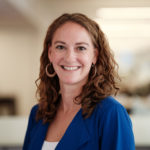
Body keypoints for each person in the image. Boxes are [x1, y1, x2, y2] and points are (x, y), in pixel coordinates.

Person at [23, 13, 135, 150]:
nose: (70, 57)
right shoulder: (38, 114)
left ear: (94, 55)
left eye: (81, 48)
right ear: (50, 53)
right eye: (60, 47)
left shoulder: (111, 113)